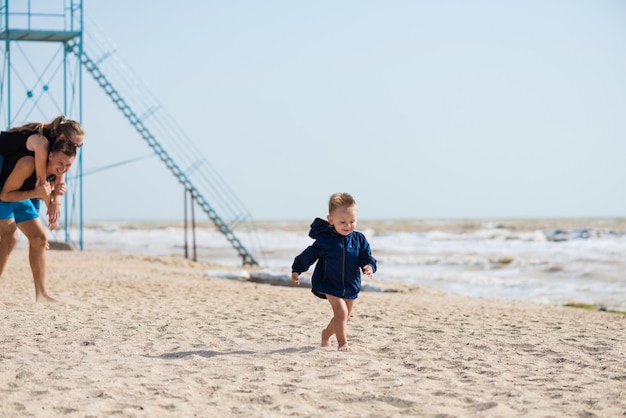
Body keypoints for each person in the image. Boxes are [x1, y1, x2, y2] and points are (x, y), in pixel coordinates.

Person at [291, 192, 377, 352]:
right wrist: (297, 269)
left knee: (343, 316)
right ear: (331, 220)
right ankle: (343, 343)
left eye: (352, 221)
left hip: (350, 284)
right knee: (341, 312)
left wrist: (368, 266)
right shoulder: (326, 240)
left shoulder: (359, 239)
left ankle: (325, 335)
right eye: (342, 222)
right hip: (329, 282)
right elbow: (310, 254)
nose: (348, 225)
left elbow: (366, 256)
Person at [0, 138, 77, 303]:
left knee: (40, 239)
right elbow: (5, 195)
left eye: (68, 166)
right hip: (4, 192)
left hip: (20, 196)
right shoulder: (28, 164)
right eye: (60, 163)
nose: (63, 169)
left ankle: (41, 295)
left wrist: (54, 200)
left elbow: (43, 194)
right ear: (49, 156)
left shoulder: (57, 174)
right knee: (10, 236)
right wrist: (38, 194)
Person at [0, 116, 85, 229]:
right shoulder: (42, 143)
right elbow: (41, 183)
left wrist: (56, 200)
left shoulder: (60, 148)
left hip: (16, 160)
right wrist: (51, 208)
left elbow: (60, 173)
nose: (76, 149)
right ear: (62, 137)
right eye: (74, 145)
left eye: (79, 146)